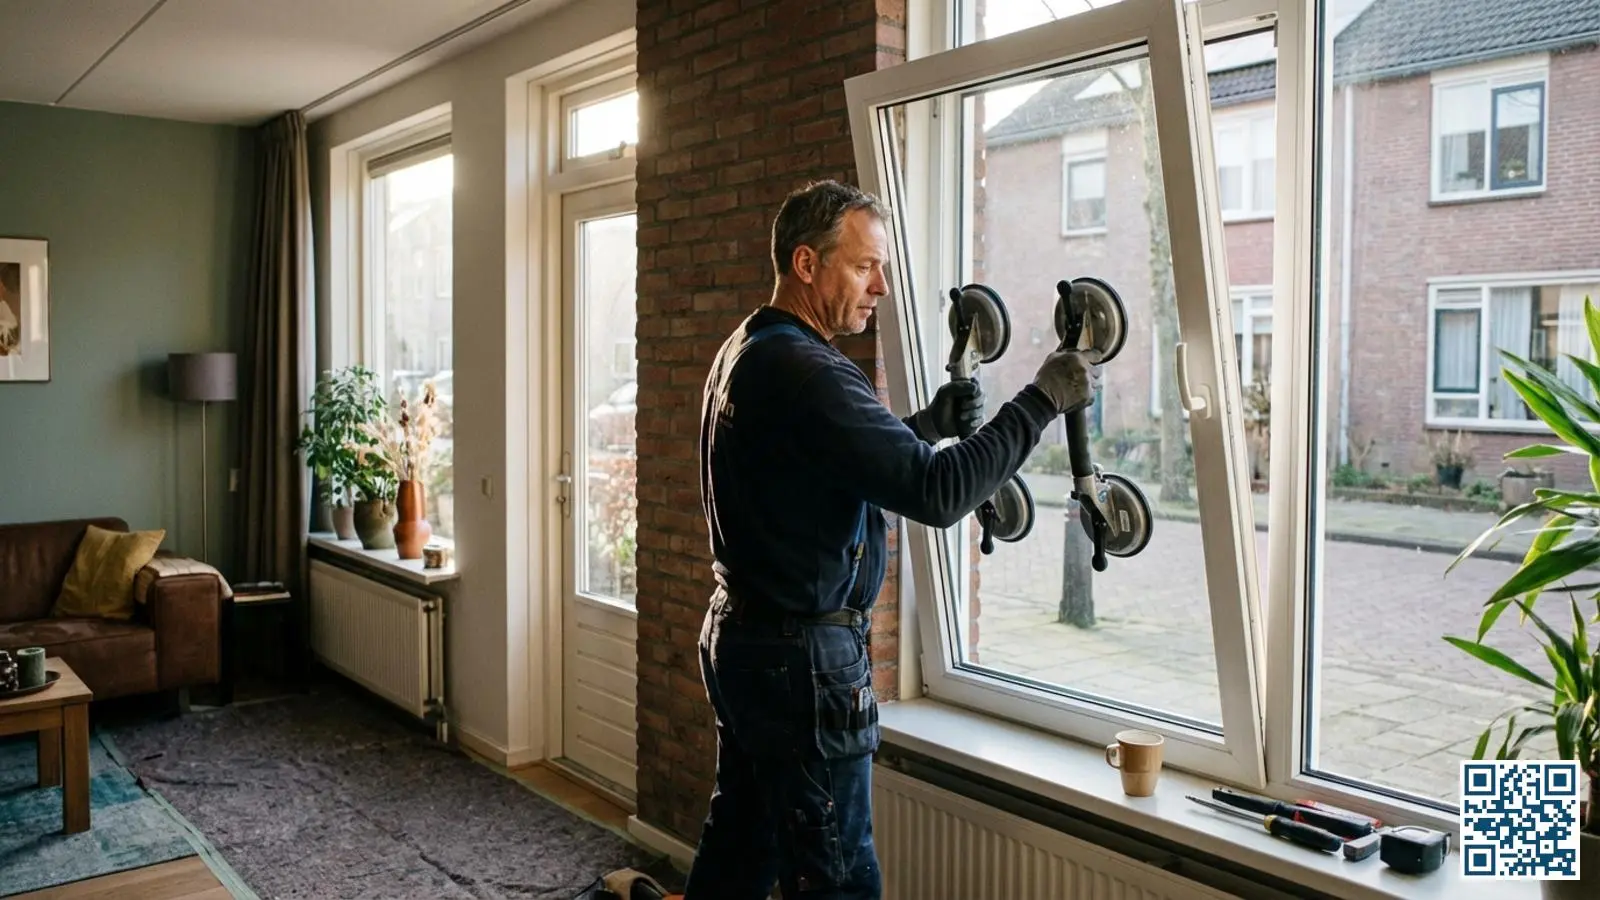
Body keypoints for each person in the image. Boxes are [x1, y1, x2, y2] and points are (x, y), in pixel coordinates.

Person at [684, 180, 1103, 899]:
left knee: (741, 850)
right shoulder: (808, 370)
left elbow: (819, 471)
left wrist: (927, 426)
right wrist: (1042, 399)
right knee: (838, 879)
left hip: (744, 640)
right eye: (862, 266)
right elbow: (937, 495)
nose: (880, 286)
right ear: (806, 265)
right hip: (800, 666)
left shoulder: (749, 348)